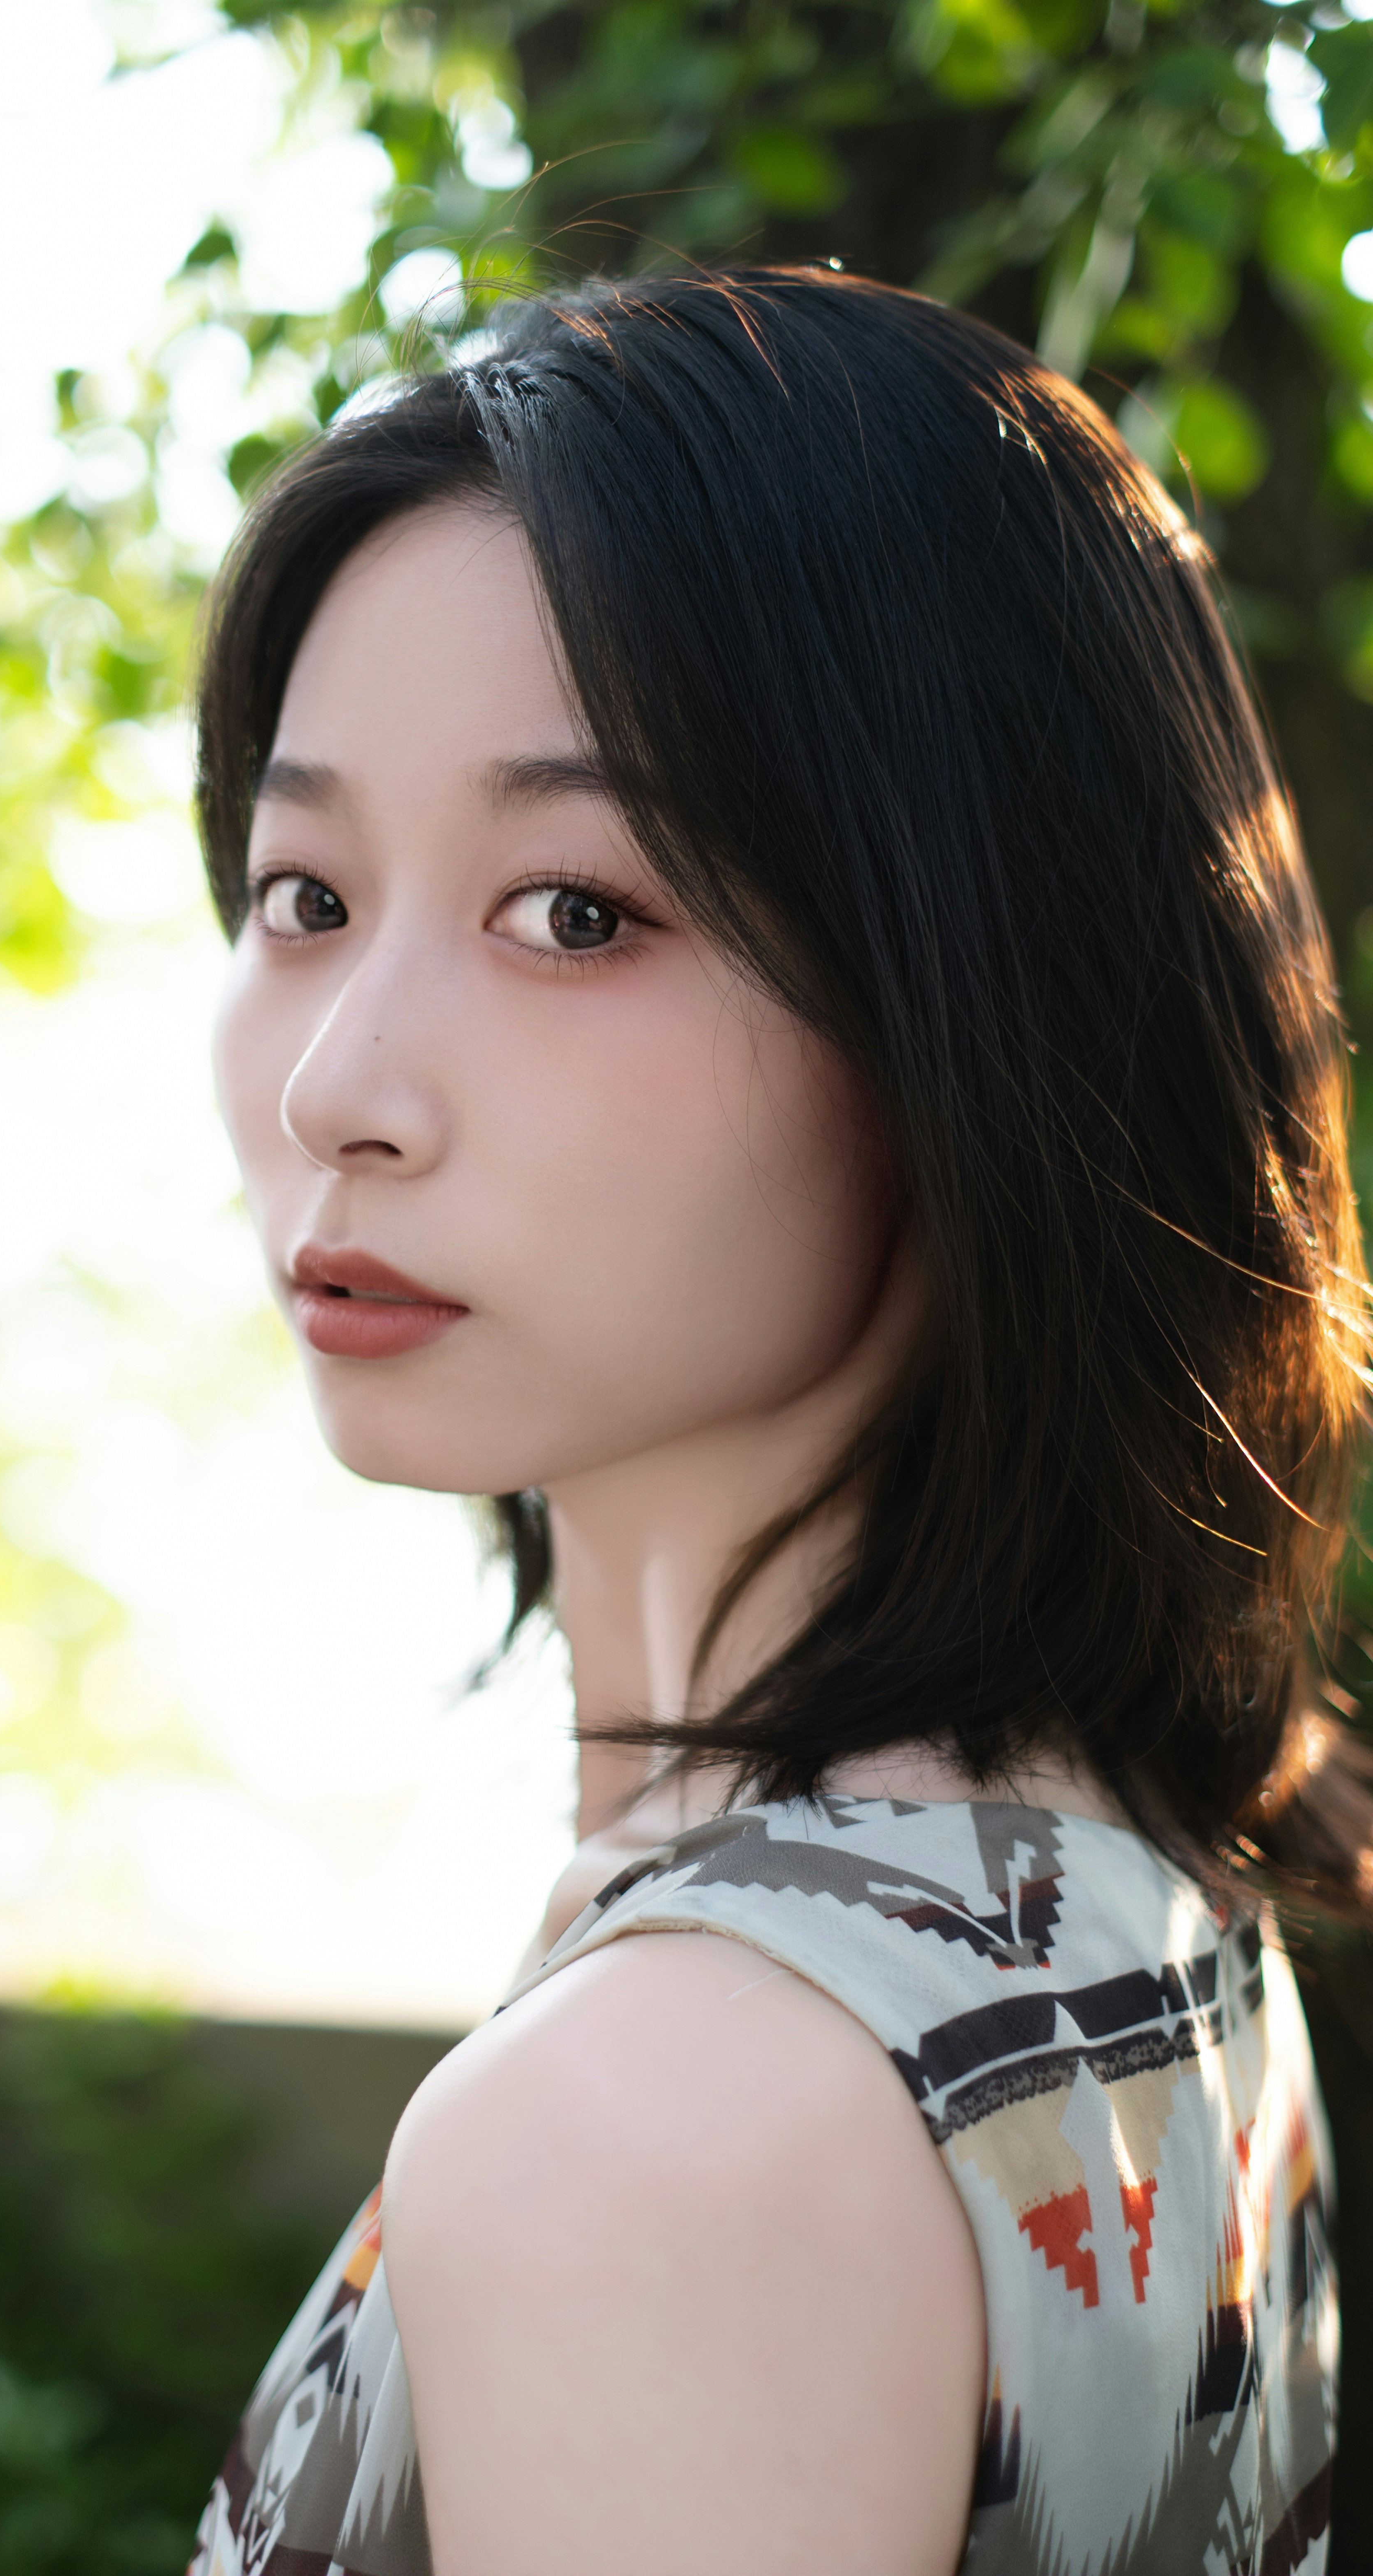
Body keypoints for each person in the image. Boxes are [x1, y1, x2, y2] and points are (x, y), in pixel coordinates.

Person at [184, 267, 1360, 2576]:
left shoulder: (670, 2123)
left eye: (576, 912)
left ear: (975, 990)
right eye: (304, 892)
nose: (336, 1089)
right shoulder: (1123, 1897)